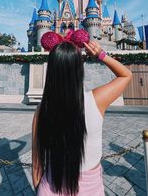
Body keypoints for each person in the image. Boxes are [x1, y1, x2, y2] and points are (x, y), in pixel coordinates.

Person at [32, 35, 132, 195]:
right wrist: (100, 54)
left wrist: (39, 190)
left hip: (48, 189)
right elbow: (126, 75)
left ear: (51, 70)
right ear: (79, 69)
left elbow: (37, 163)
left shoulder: (42, 110)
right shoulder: (96, 100)